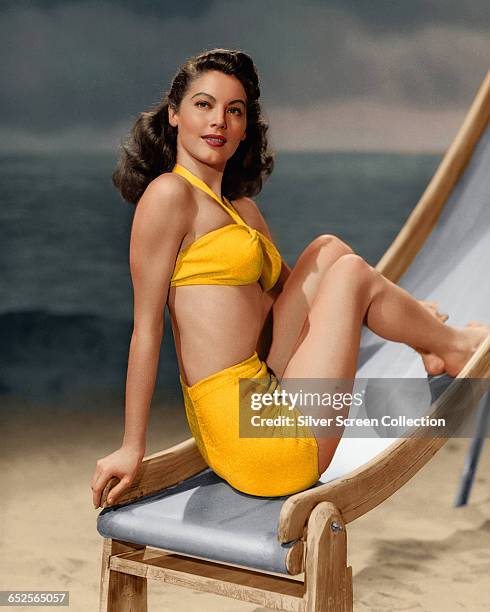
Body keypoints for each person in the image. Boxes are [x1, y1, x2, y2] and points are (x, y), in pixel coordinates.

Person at [91, 48, 489, 507]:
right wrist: (131, 446)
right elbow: (147, 328)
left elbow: (297, 304)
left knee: (330, 250)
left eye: (233, 111)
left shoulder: (242, 212)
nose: (218, 120)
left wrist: (398, 312)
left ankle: (430, 339)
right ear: (175, 115)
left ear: (244, 129)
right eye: (203, 105)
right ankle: (451, 346)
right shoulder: (169, 196)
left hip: (267, 389)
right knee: (353, 275)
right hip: (262, 444)